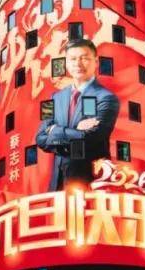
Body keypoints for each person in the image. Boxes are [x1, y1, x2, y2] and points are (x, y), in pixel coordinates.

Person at [35, 38, 120, 191]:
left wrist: (55, 131)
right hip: (57, 185)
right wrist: (75, 132)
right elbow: (40, 138)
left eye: (84, 58)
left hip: (90, 184)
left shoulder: (107, 98)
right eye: (73, 59)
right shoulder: (53, 97)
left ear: (96, 62)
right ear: (66, 64)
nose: (78, 64)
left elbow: (91, 138)